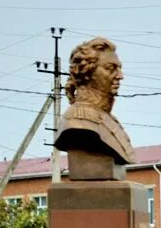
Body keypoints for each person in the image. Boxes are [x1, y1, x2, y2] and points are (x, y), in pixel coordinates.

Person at [55, 37, 134, 165]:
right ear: (87, 73)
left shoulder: (108, 119)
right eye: (110, 68)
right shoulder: (79, 123)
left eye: (119, 69)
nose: (120, 76)